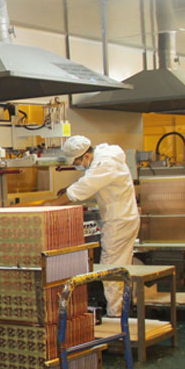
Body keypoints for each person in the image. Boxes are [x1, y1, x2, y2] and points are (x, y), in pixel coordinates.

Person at [41, 135, 139, 317]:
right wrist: (67, 190)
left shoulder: (104, 164)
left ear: (86, 156)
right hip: (124, 218)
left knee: (111, 268)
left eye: (77, 162)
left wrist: (52, 205)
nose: (78, 166)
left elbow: (84, 187)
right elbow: (88, 179)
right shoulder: (105, 155)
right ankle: (124, 309)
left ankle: (116, 314)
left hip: (119, 222)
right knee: (121, 266)